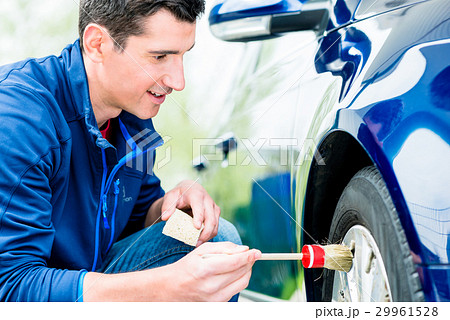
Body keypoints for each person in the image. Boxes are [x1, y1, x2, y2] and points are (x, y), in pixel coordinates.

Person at [0, 0, 260, 302]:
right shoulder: (19, 119)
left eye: (182, 56)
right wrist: (166, 285)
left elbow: (137, 217)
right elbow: (10, 287)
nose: (178, 81)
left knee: (207, 239)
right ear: (97, 44)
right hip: (32, 292)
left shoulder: (130, 116)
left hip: (89, 281)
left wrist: (173, 205)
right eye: (159, 56)